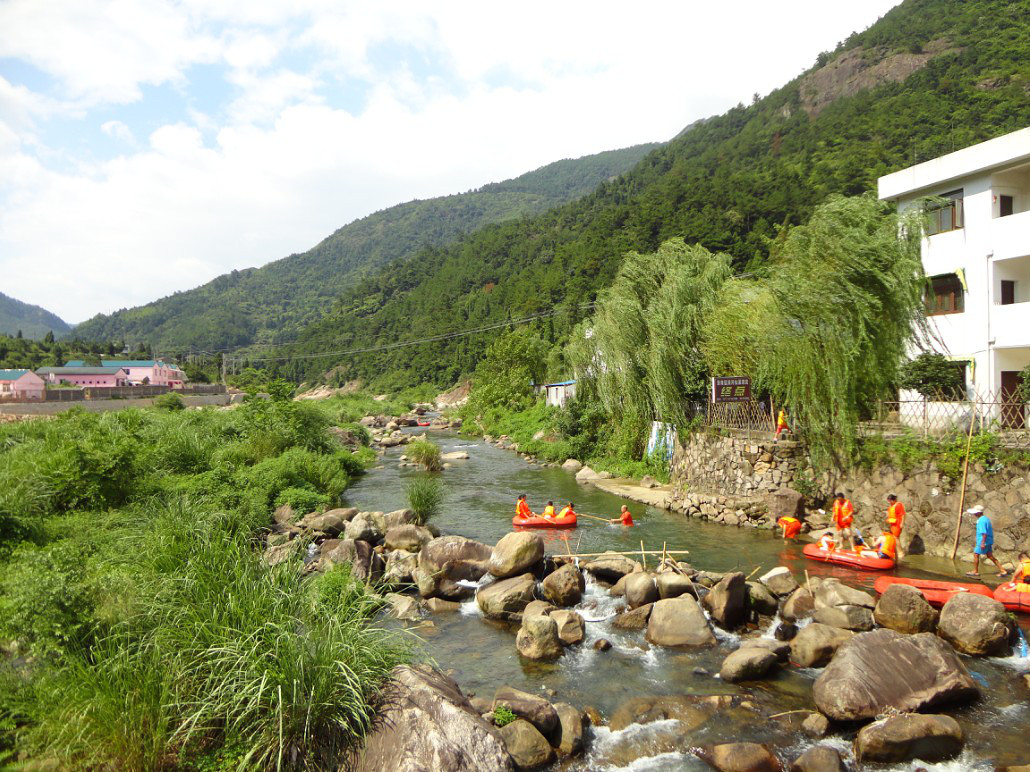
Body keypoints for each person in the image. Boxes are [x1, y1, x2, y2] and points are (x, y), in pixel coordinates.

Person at [965, 505, 1008, 578]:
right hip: (988, 540)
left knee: (976, 554)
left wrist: (982, 543)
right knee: (990, 556)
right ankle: (1003, 570)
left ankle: (975, 571)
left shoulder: (981, 521)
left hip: (983, 541)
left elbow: (984, 533)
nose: (974, 514)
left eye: (975, 513)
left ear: (978, 513)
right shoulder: (985, 519)